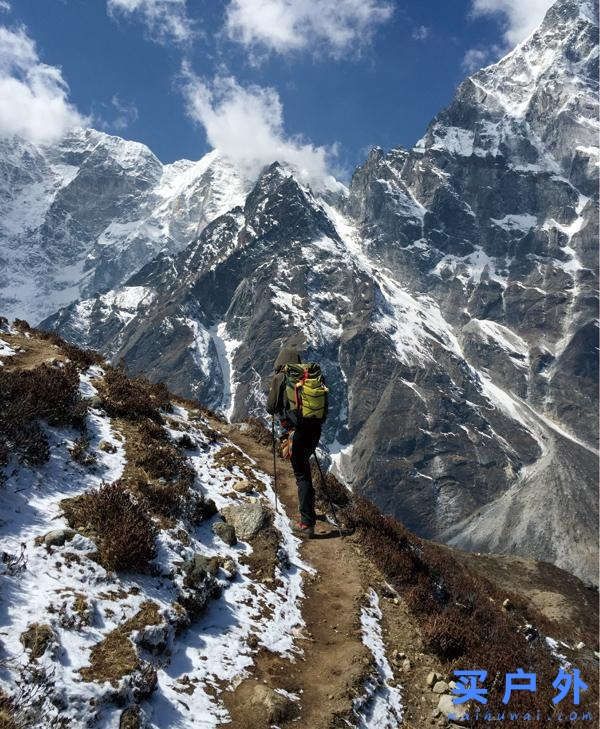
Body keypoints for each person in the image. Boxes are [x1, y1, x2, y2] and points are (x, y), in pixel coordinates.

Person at [266, 344, 326, 538]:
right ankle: (309, 510)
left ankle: (306, 524)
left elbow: (270, 407)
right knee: (305, 470)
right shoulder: (311, 376)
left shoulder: (281, 378)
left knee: (302, 476)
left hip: (297, 431)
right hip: (314, 429)